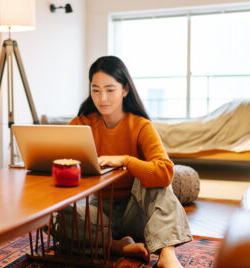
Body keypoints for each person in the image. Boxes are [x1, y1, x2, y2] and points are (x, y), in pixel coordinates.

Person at [60, 55, 192, 268]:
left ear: (125, 90)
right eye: (96, 90)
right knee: (55, 218)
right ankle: (118, 247)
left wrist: (126, 161)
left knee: (152, 179)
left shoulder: (140, 125)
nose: (102, 98)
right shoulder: (82, 124)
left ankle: (168, 256)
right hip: (99, 213)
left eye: (110, 90)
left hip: (136, 213)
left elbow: (166, 172)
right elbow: (57, 155)